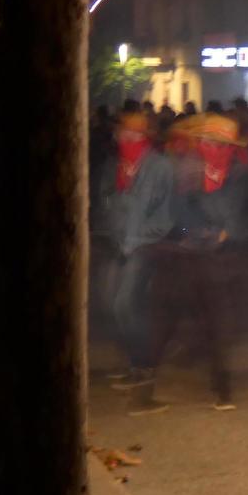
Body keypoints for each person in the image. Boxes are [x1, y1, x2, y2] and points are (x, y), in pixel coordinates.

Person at [126, 113, 248, 413]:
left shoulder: (239, 175)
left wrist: (220, 231)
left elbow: (236, 219)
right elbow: (174, 212)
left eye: (222, 144)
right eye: (209, 142)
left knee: (219, 325)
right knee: (162, 323)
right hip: (179, 257)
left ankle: (223, 390)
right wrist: (191, 230)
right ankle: (142, 393)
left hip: (216, 262)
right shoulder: (185, 169)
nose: (215, 149)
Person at [100, 110, 175, 389]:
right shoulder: (116, 165)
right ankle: (134, 360)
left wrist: (142, 237)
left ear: (145, 136)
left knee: (126, 303)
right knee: (111, 303)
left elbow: (165, 215)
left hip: (144, 245)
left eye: (133, 134)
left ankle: (144, 365)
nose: (126, 138)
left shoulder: (160, 167)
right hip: (119, 242)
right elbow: (105, 199)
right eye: (123, 133)